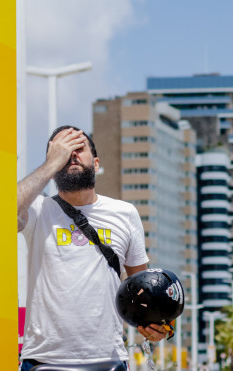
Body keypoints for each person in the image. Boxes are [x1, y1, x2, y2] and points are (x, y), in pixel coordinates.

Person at [18, 126, 168, 370]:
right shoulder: (37, 210)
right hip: (43, 359)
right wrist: (50, 164)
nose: (72, 154)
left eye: (79, 148)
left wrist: (156, 326)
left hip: (108, 360)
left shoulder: (125, 213)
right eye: (63, 150)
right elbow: (2, 211)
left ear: (96, 164)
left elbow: (142, 288)